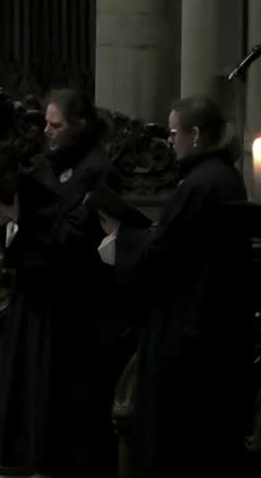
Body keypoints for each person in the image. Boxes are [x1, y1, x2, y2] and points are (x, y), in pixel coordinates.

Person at [98, 95, 251, 478]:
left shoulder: (199, 184)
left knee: (174, 436)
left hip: (186, 325)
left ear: (195, 135)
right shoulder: (224, 177)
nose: (169, 141)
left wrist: (121, 236)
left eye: (172, 133)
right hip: (213, 322)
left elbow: (165, 254)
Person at [0, 88, 120, 478]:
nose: (47, 131)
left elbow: (80, 234)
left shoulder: (99, 171)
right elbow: (31, 218)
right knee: (30, 379)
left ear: (80, 126)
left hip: (74, 298)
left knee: (62, 385)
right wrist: (9, 220)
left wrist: (24, 219)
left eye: (55, 125)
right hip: (35, 288)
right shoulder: (44, 167)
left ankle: (58, 463)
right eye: (46, 123)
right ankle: (24, 456)